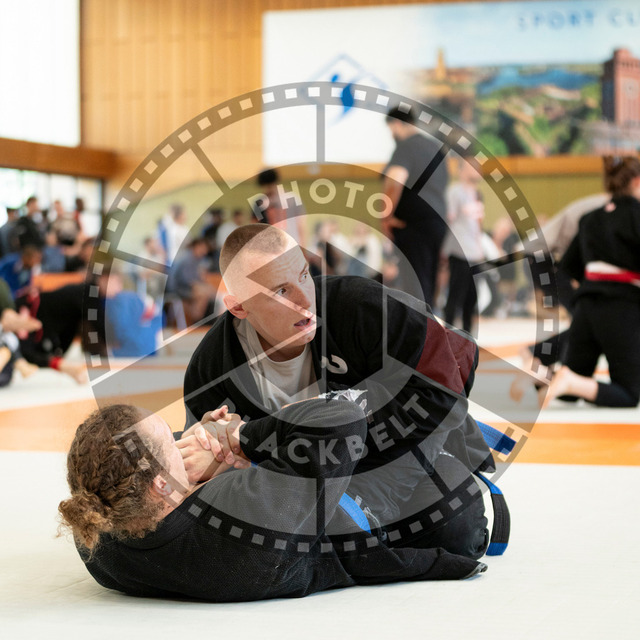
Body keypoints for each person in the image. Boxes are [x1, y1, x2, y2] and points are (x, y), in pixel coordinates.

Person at [183, 223, 495, 552]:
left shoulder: (359, 306)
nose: (305, 299)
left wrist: (257, 438)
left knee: (456, 529)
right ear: (238, 307)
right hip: (305, 479)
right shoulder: (212, 370)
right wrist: (219, 447)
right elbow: (203, 467)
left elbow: (450, 374)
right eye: (281, 292)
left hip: (403, 446)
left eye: (304, 275)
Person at [58, 399, 487, 602]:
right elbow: (342, 423)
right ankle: (470, 444)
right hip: (356, 513)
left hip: (285, 516)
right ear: (160, 486)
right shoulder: (239, 517)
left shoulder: (100, 539)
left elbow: (122, 473)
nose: (179, 439)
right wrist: (238, 438)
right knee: (433, 398)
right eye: (172, 443)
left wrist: (199, 446)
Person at [543, 156, 640, 408]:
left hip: (586, 306)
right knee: (629, 393)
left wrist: (595, 285)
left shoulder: (590, 218)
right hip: (620, 307)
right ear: (637, 181)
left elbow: (568, 265)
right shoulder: (636, 216)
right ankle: (568, 381)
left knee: (570, 391)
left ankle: (551, 379)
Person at [383, 106, 449, 307]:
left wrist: (386, 216)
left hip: (413, 226)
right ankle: (429, 321)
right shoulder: (435, 148)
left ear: (397, 124)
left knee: (415, 284)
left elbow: (395, 180)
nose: (392, 135)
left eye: (391, 129)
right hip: (438, 222)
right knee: (429, 280)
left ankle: (420, 324)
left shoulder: (405, 147)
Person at [442, 158, 485, 334]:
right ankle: (446, 333)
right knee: (456, 294)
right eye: (471, 167)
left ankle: (468, 335)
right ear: (462, 170)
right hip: (459, 251)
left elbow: (478, 225)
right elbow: (448, 220)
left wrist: (480, 248)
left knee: (472, 297)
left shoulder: (477, 194)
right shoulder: (455, 191)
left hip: (475, 252)